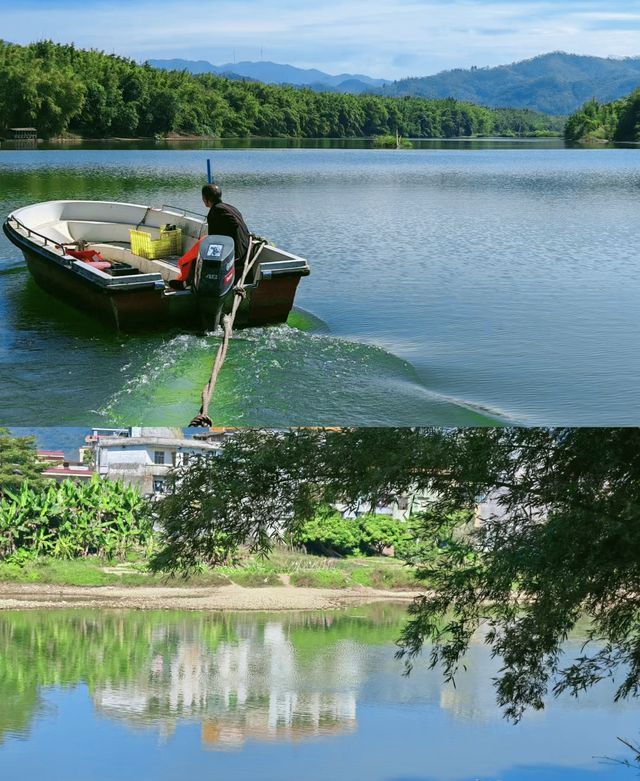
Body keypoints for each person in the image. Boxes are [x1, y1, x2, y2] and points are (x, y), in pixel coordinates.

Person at [171, 183, 251, 288]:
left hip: (235, 259)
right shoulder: (232, 208)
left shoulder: (215, 212)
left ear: (205, 199)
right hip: (246, 255)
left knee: (197, 258)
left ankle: (187, 283)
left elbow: (214, 243)